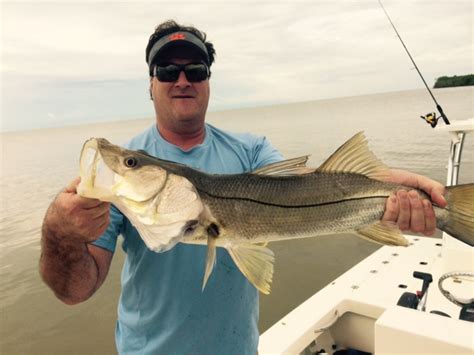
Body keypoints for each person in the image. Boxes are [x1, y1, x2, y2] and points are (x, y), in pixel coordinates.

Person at [39, 20, 447, 354]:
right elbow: (74, 292)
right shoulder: (120, 187)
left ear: (208, 82)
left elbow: (308, 185)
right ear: (150, 83)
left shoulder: (251, 150)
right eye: (167, 70)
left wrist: (405, 187)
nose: (182, 80)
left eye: (194, 70)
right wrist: (58, 233)